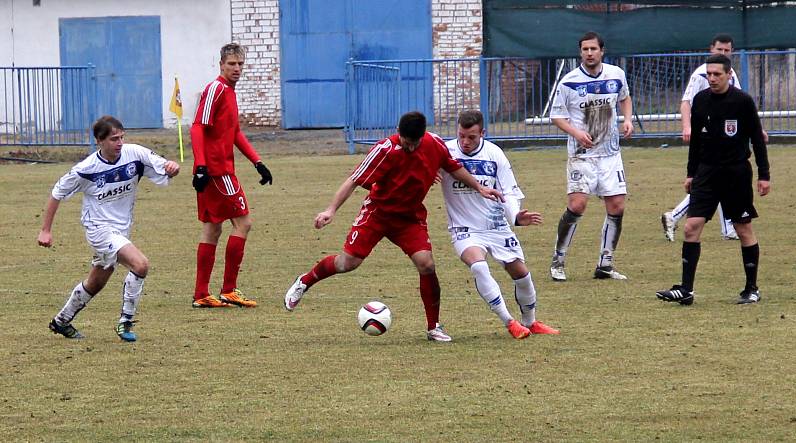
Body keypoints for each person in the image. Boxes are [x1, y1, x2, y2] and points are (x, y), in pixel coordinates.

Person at [283, 111, 504, 342]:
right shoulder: (385, 149)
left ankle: (434, 327)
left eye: (412, 143)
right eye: (404, 141)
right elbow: (354, 179)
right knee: (347, 263)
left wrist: (479, 187)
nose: (407, 147)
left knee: (426, 265)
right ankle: (304, 281)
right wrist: (330, 210)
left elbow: (452, 167)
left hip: (409, 217)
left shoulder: (434, 145)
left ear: (421, 137)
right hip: (378, 213)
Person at [38, 116, 180, 342]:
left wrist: (172, 167)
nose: (120, 143)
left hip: (121, 229)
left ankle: (61, 321)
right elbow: (57, 193)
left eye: (122, 137)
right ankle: (125, 322)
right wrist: (46, 230)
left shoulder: (134, 153)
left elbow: (164, 167)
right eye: (114, 139)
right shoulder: (86, 169)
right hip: (99, 229)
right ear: (99, 141)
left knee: (96, 281)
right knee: (140, 264)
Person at [656, 54, 770, 306]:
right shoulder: (701, 100)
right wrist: (690, 173)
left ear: (729, 75)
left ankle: (751, 288)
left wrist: (764, 175)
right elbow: (696, 141)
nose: (712, 78)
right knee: (690, 227)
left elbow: (757, 139)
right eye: (709, 74)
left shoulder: (742, 101)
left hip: (736, 173)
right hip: (707, 174)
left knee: (743, 229)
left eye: (717, 74)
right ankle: (686, 289)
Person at [441, 111, 559, 339]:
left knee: (522, 275)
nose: (465, 142)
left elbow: (508, 190)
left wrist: (515, 216)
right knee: (478, 266)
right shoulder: (446, 152)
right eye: (462, 135)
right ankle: (510, 322)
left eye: (472, 137)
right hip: (464, 229)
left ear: (482, 133)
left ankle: (531, 322)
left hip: (495, 226)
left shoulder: (495, 154)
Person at [190, 42, 273, 308]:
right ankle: (228, 290)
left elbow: (235, 133)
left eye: (240, 64)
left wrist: (257, 162)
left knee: (212, 229)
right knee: (243, 223)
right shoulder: (215, 89)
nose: (236, 68)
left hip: (219, 169)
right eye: (231, 64)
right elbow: (196, 128)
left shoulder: (230, 92)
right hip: (217, 171)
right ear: (221, 65)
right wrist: (202, 166)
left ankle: (202, 294)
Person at [548, 31, 633, 282]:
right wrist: (576, 133)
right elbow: (556, 116)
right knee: (577, 205)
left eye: (593, 49)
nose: (589, 53)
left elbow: (625, 98)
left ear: (601, 51)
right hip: (582, 155)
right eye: (584, 49)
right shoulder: (569, 81)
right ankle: (558, 260)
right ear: (580, 52)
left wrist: (627, 120)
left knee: (617, 206)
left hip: (610, 154)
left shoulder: (616, 75)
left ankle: (605, 264)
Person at [662, 33, 745, 242]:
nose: (723, 53)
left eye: (727, 50)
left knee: (719, 181)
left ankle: (725, 227)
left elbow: (740, 104)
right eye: (719, 50)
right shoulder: (702, 74)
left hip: (725, 139)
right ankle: (675, 216)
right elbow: (685, 102)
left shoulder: (730, 73)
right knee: (710, 183)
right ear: (711, 49)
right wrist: (687, 126)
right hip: (706, 139)